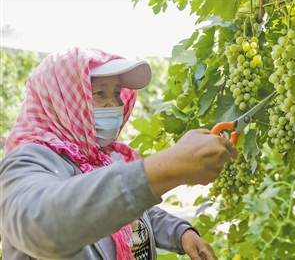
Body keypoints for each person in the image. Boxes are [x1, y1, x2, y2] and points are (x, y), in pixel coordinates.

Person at [0, 47, 238, 260]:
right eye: (99, 94)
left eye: (115, 94)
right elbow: (39, 225)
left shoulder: (100, 156)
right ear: (60, 100)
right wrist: (169, 166)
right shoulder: (27, 161)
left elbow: (127, 211)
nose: (114, 105)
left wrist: (181, 233)